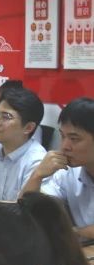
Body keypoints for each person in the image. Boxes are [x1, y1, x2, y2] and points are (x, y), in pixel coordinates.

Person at [21, 97, 94, 238]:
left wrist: (74, 232)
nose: (64, 146)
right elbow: (27, 211)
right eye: (62, 136)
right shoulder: (68, 171)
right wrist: (37, 175)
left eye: (74, 139)